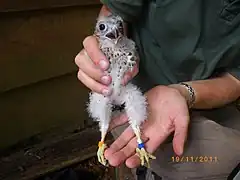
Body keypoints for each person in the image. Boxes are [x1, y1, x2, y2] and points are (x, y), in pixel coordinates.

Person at [75, 1, 240, 179]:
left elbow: (236, 79)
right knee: (223, 159)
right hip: (139, 102)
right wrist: (104, 45)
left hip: (207, 100)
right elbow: (114, 12)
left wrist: (183, 93)